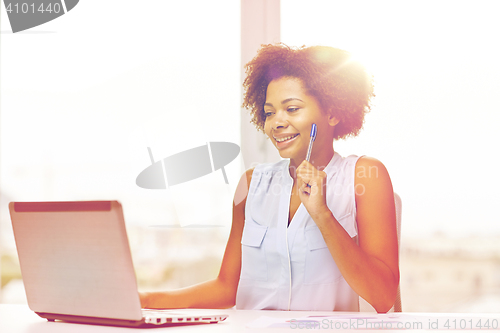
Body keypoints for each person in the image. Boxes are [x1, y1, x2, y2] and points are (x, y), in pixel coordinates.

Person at [139, 43, 399, 313]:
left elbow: (383, 297)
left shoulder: (365, 176)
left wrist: (322, 214)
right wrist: (146, 300)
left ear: (332, 112)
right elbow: (228, 287)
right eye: (269, 112)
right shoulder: (251, 184)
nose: (276, 122)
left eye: (293, 109)